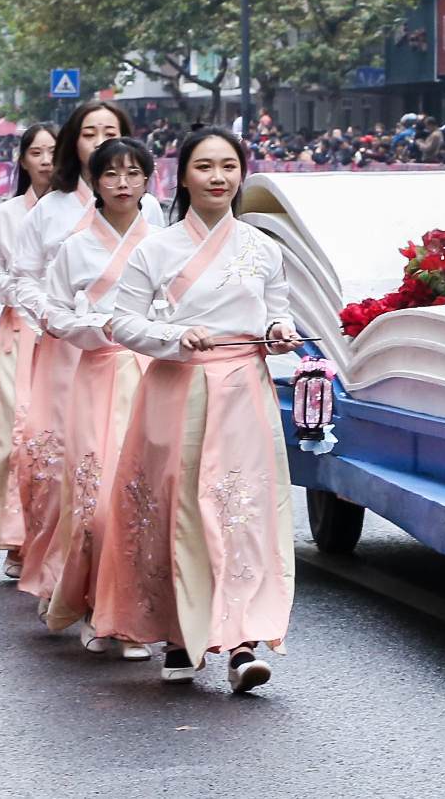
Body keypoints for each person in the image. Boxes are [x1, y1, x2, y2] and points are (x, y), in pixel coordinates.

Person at [91, 130, 299, 692]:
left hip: (243, 390)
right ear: (181, 176)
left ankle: (242, 642)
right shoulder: (155, 249)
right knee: (176, 509)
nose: (218, 177)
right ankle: (179, 634)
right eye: (204, 166)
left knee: (242, 508)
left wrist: (280, 332)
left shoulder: (264, 248)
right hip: (177, 387)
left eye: (229, 166)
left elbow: (277, 313)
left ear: (242, 174)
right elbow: (122, 322)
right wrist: (174, 337)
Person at [11, 103, 162, 587]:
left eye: (110, 132)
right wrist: (66, 322)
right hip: (75, 353)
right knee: (69, 465)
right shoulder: (52, 210)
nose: (100, 142)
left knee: (138, 471)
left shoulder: (156, 224)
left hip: (144, 358)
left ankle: (131, 579)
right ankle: (65, 569)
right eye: (90, 133)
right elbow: (26, 278)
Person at [35, 136, 160, 656]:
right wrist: (94, 328)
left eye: (133, 173)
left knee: (141, 497)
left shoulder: (166, 245)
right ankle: (89, 604)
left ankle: (131, 616)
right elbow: (53, 312)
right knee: (93, 501)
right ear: (93, 182)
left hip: (153, 373)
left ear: (148, 180)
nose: (122, 183)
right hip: (96, 371)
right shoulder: (76, 246)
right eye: (111, 174)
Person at [0, 121, 56, 572]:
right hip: (20, 330)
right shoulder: (8, 214)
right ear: (23, 160)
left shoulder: (80, 211)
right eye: (37, 153)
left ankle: (56, 535)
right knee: (14, 433)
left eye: (54, 152)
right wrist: (21, 291)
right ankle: (17, 538)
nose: (46, 161)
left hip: (68, 334)